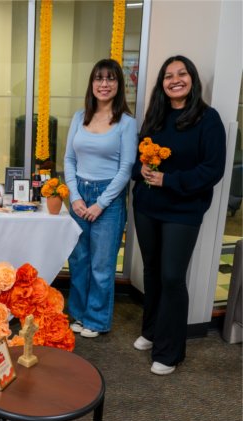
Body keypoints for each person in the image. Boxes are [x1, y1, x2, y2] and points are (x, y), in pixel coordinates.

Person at [131, 55, 226, 375]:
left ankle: (169, 352)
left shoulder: (207, 119)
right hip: (147, 205)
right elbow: (135, 160)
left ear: (192, 79)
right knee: (153, 270)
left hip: (183, 210)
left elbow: (212, 169)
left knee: (172, 276)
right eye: (168, 75)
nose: (175, 79)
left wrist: (169, 180)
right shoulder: (155, 116)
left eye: (181, 73)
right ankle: (151, 331)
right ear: (162, 84)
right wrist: (140, 169)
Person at [64, 58, 137, 338]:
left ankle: (96, 320)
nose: (104, 84)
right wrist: (75, 196)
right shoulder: (79, 117)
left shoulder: (126, 123)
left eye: (110, 79)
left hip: (109, 198)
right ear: (92, 84)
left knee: (101, 265)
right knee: (79, 260)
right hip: (80, 195)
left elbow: (125, 169)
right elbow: (69, 159)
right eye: (99, 78)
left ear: (118, 85)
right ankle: (79, 315)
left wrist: (100, 203)